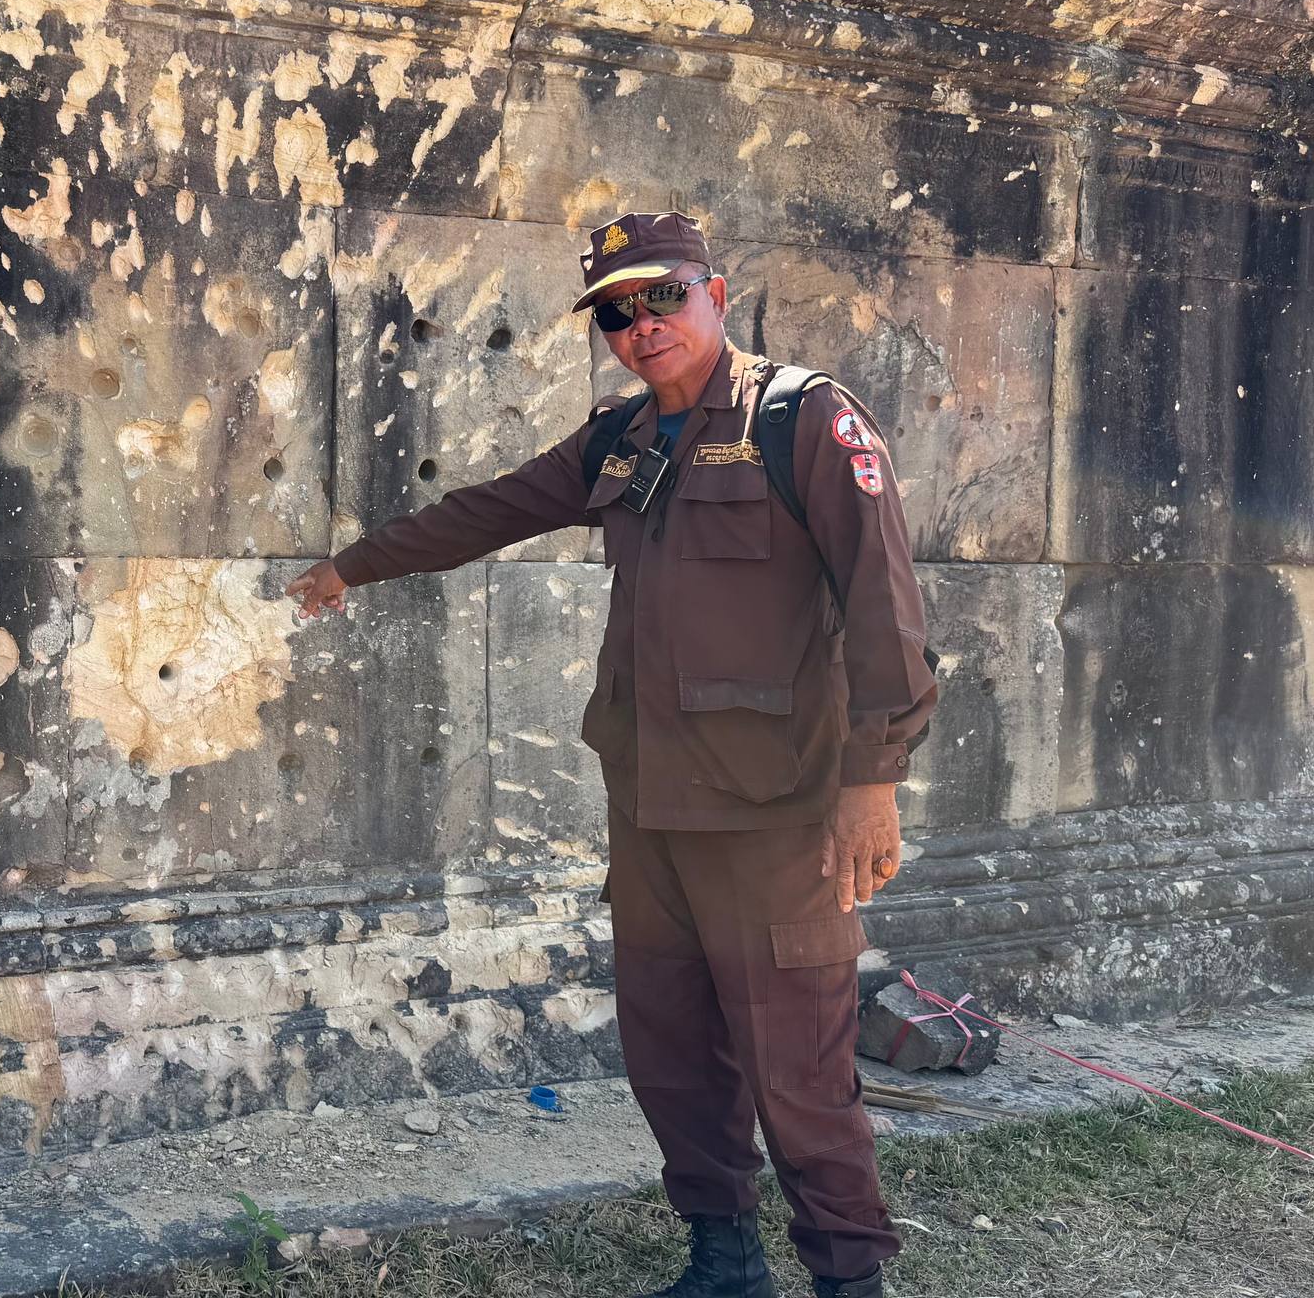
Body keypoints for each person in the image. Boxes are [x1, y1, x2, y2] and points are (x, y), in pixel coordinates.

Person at [286, 211, 937, 1298]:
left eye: (662, 296)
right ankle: (724, 1263)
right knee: (672, 1056)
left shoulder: (804, 422)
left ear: (713, 294)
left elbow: (885, 609)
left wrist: (872, 783)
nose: (642, 326)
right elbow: (490, 511)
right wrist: (354, 566)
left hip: (775, 816)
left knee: (799, 1072)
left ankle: (849, 1278)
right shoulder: (620, 441)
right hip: (650, 812)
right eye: (616, 313)